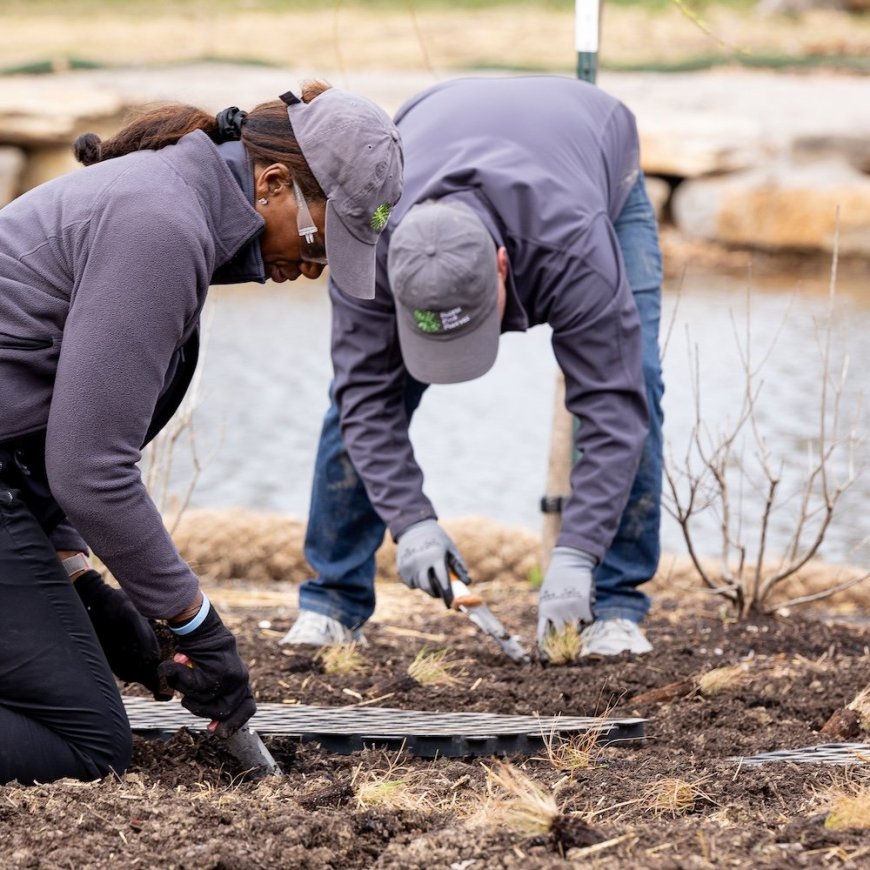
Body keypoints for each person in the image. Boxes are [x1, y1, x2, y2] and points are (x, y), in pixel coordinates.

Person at [0, 81, 403, 785]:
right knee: (87, 739)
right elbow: (90, 468)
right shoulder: (163, 225)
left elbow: (31, 441)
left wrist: (85, 585)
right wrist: (194, 623)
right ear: (273, 183)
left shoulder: (168, 200)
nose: (312, 267)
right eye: (319, 239)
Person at [282, 76, 663, 659]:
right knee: (357, 395)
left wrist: (577, 549)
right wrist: (411, 523)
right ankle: (333, 603)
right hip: (438, 117)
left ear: (504, 268)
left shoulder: (572, 248)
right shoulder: (369, 240)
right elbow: (366, 398)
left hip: (593, 153)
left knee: (636, 377)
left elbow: (613, 404)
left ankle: (610, 604)